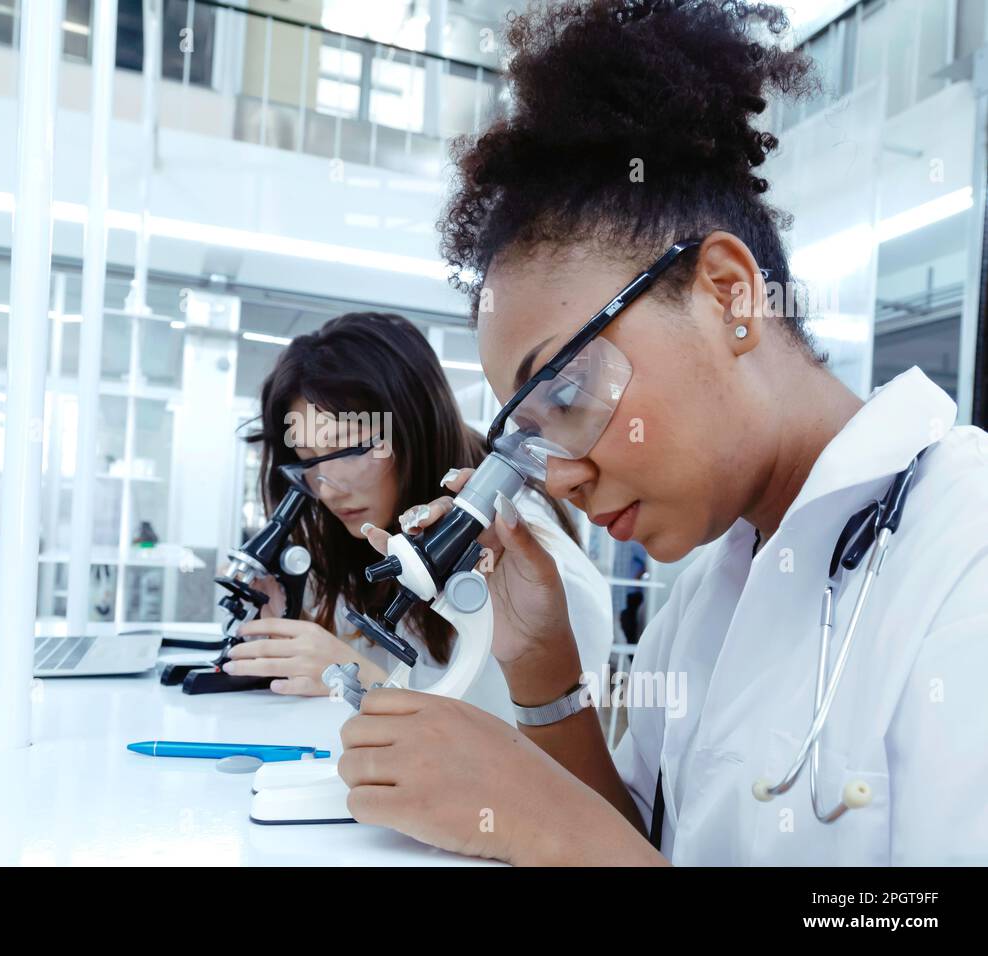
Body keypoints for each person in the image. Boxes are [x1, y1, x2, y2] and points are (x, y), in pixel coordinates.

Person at [339, 0, 988, 865]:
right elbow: (648, 844)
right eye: (528, 436)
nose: (558, 477)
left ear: (727, 293)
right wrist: (541, 671)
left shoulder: (964, 548)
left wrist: (544, 823)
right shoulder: (708, 592)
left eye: (565, 392)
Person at [221, 311, 612, 719]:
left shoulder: (533, 560)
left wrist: (365, 684)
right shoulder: (376, 537)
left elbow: (535, 748)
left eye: (351, 450)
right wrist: (285, 622)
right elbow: (352, 657)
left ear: (415, 428)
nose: (326, 487)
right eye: (308, 463)